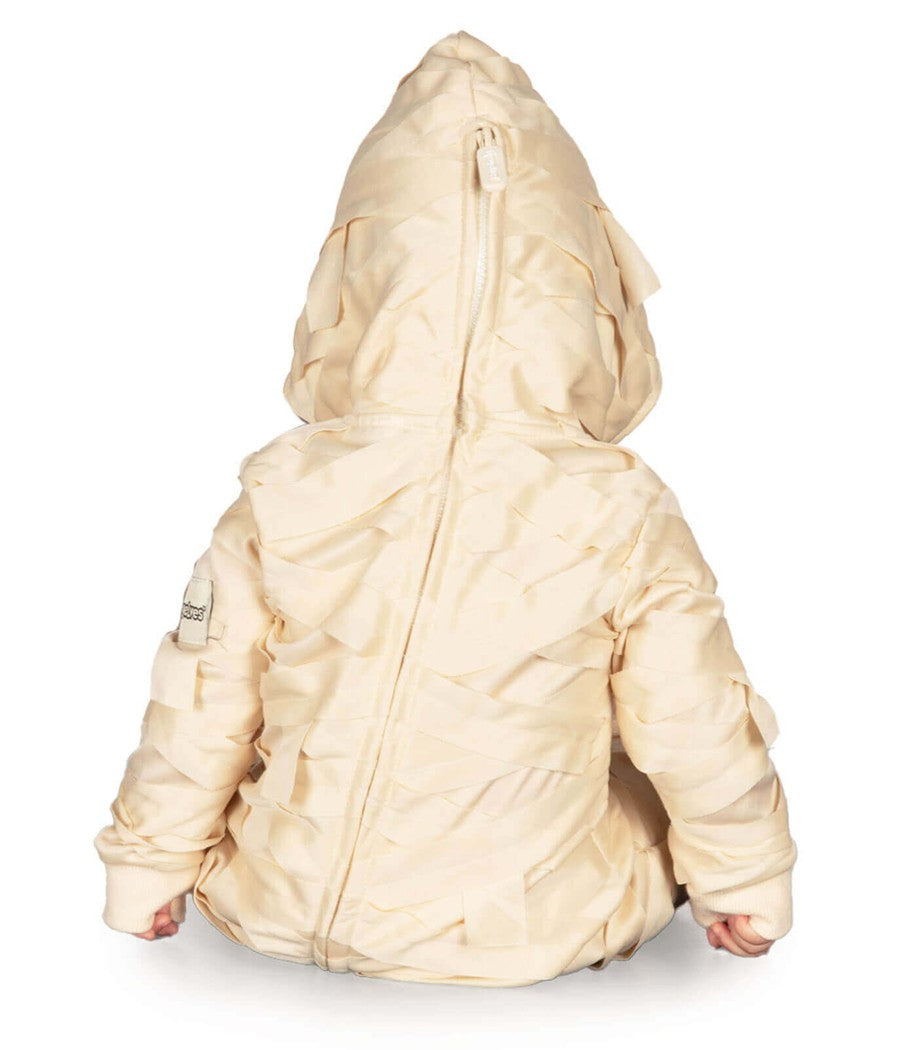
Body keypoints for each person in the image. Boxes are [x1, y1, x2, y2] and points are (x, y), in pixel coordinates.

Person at [93, 31, 798, 986]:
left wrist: (148, 866)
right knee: (639, 736)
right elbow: (691, 713)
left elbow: (204, 697)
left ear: (358, 287)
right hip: (528, 934)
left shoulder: (284, 485)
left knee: (249, 684)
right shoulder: (626, 506)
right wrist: (744, 879)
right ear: (589, 299)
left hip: (276, 904)